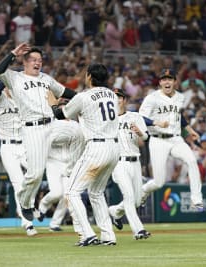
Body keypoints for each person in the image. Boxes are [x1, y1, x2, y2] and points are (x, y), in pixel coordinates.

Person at [0, 42, 76, 221]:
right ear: (25, 62)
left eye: (40, 60)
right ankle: (24, 202)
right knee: (35, 174)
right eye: (33, 60)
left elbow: (64, 91)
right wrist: (13, 53)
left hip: (52, 124)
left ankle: (70, 168)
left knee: (79, 132)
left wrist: (84, 98)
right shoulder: (14, 77)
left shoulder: (46, 78)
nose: (37, 63)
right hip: (33, 129)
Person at [50, 63, 119, 246]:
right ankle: (108, 235)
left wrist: (53, 103)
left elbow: (61, 114)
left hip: (96, 148)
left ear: (89, 77)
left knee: (72, 192)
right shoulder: (112, 95)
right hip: (114, 148)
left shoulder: (84, 96)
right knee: (96, 193)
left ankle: (88, 233)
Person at [0, 78, 37, 236]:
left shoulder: (22, 101)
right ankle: (27, 222)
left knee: (35, 175)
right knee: (18, 183)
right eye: (9, 86)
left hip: (24, 145)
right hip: (8, 147)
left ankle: (30, 204)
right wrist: (6, 77)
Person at [138, 68, 204, 211]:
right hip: (158, 140)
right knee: (158, 182)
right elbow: (140, 118)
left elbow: (178, 117)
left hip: (175, 139)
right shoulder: (152, 98)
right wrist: (156, 123)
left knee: (192, 160)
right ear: (160, 82)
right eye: (164, 79)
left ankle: (196, 200)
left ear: (175, 81)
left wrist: (190, 130)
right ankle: (142, 192)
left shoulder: (180, 97)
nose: (167, 82)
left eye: (170, 79)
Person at [108, 88, 165, 240]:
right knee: (129, 196)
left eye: (119, 97)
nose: (117, 100)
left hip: (135, 161)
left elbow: (146, 138)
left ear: (124, 100)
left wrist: (140, 132)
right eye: (114, 97)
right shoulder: (107, 119)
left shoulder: (135, 116)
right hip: (119, 163)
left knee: (137, 199)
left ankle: (116, 211)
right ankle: (138, 230)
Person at [37, 99, 85, 232]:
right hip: (53, 162)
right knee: (57, 193)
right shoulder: (51, 124)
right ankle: (42, 206)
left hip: (69, 163)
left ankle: (54, 223)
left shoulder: (76, 125)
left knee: (67, 195)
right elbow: (45, 141)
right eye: (62, 108)